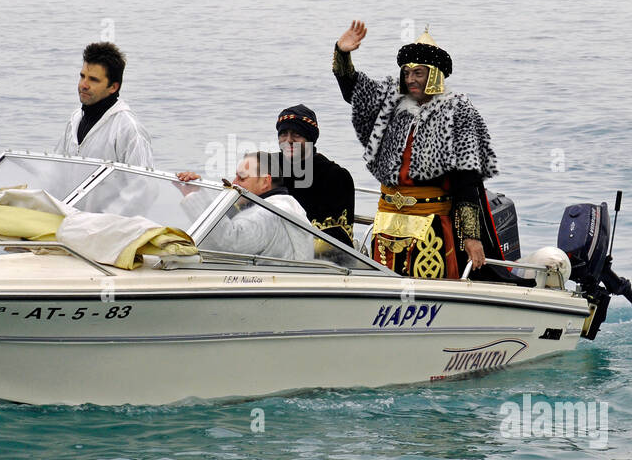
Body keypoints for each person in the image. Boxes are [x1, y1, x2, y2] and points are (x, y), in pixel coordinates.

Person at [332, 19, 498, 280]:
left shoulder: (458, 112)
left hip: (431, 224)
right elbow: (355, 91)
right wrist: (343, 54)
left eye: (418, 73)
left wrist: (471, 237)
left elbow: (468, 180)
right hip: (387, 219)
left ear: (434, 75)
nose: (410, 79)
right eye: (406, 73)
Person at [179, 152, 314, 261]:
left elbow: (228, 243)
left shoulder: (269, 214)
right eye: (236, 177)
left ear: (265, 182)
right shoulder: (284, 207)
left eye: (242, 178)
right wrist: (198, 191)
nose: (234, 183)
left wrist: (194, 196)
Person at [56, 42, 155, 168]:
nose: (84, 85)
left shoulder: (129, 129)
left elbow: (142, 184)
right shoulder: (74, 120)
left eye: (93, 79)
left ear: (113, 87)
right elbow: (57, 171)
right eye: (82, 76)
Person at [274, 104, 356, 246]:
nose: (289, 140)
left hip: (313, 261)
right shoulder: (267, 166)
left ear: (310, 139)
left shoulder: (335, 176)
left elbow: (336, 239)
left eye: (296, 134)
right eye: (283, 134)